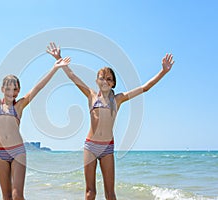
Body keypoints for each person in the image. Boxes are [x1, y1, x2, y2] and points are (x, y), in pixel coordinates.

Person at [47, 42, 174, 200]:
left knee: (110, 194)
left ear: (113, 83)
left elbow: (145, 87)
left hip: (107, 148)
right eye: (102, 78)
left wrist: (163, 71)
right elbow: (73, 77)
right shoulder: (91, 95)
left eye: (109, 79)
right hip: (90, 147)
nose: (105, 81)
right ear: (97, 81)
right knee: (90, 192)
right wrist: (59, 58)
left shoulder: (118, 99)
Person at [0, 35, 70, 200]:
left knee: (17, 196)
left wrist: (54, 67)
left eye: (15, 89)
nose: (11, 92)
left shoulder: (19, 106)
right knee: (6, 196)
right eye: (8, 89)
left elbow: (37, 88)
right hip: (0, 153)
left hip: (18, 152)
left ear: (18, 90)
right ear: (2, 89)